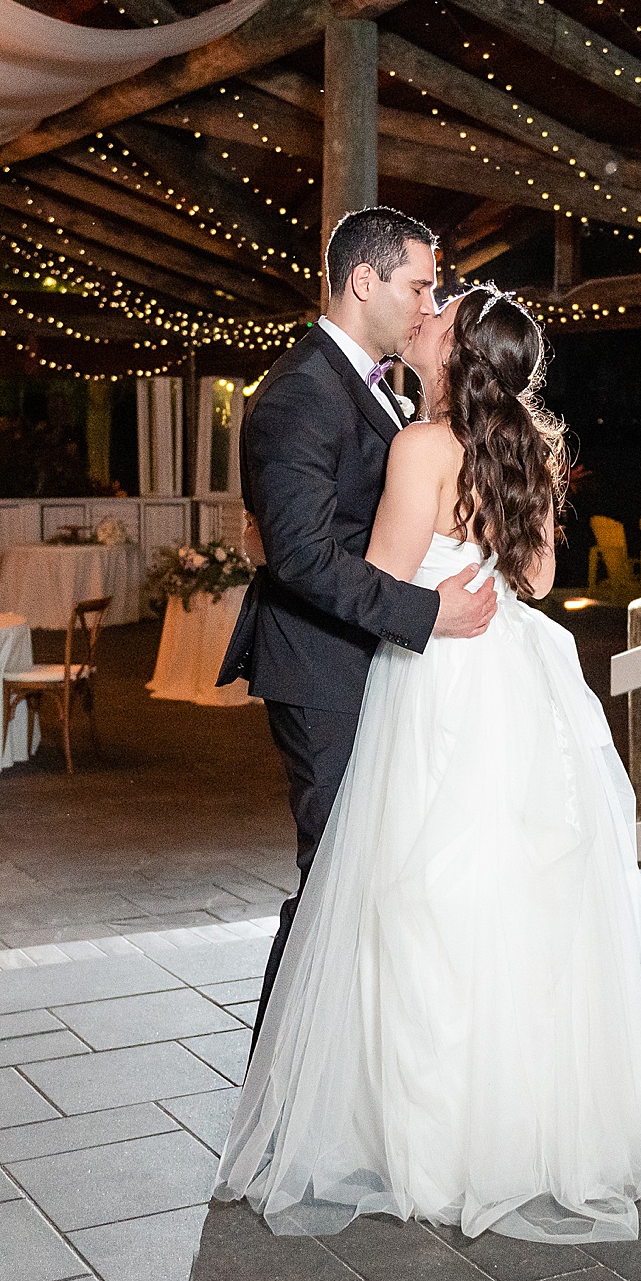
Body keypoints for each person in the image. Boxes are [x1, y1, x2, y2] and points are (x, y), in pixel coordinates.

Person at [215, 281, 641, 1244]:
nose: (424, 316)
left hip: (434, 680)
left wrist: (278, 539)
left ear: (457, 352)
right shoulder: (525, 447)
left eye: (440, 314)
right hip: (514, 673)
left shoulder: (421, 446)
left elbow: (385, 574)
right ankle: (517, 1125)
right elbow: (542, 577)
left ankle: (419, 1133)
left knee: (412, 891)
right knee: (512, 892)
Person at [216, 207, 500, 1050]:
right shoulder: (300, 391)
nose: (428, 301)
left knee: (371, 880)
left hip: (361, 661)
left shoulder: (374, 391)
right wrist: (428, 611)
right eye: (419, 284)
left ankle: (345, 1079)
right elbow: (301, 556)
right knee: (335, 880)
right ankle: (280, 1092)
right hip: (320, 670)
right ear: (363, 281)